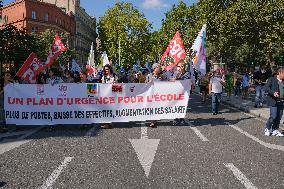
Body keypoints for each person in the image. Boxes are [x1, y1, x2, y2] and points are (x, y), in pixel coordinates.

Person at [264, 67, 284, 137]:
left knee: (279, 117)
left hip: (281, 101)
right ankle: (267, 128)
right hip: (273, 101)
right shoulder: (272, 79)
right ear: (280, 72)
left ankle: (275, 130)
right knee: (273, 116)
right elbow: (266, 88)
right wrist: (273, 93)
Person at [171, 60, 191, 125]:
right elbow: (172, 80)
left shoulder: (187, 73)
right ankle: (176, 119)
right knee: (176, 105)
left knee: (182, 106)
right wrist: (176, 76)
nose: (180, 67)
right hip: (176, 92)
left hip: (184, 93)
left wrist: (177, 77)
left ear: (184, 67)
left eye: (182, 66)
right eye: (179, 66)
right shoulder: (175, 73)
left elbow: (185, 81)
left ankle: (182, 119)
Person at [145, 63, 164, 127]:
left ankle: (154, 120)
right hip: (151, 95)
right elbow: (145, 85)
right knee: (152, 107)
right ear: (155, 68)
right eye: (159, 67)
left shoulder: (162, 76)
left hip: (159, 95)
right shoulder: (149, 76)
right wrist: (149, 82)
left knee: (157, 108)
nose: (160, 68)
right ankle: (153, 121)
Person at [100, 64, 118, 129]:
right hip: (106, 95)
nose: (106, 71)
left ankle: (109, 123)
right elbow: (102, 85)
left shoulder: (114, 76)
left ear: (110, 69)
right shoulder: (103, 77)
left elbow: (117, 84)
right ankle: (106, 122)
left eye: (107, 69)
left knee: (111, 109)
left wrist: (115, 83)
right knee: (106, 109)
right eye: (105, 70)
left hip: (113, 95)